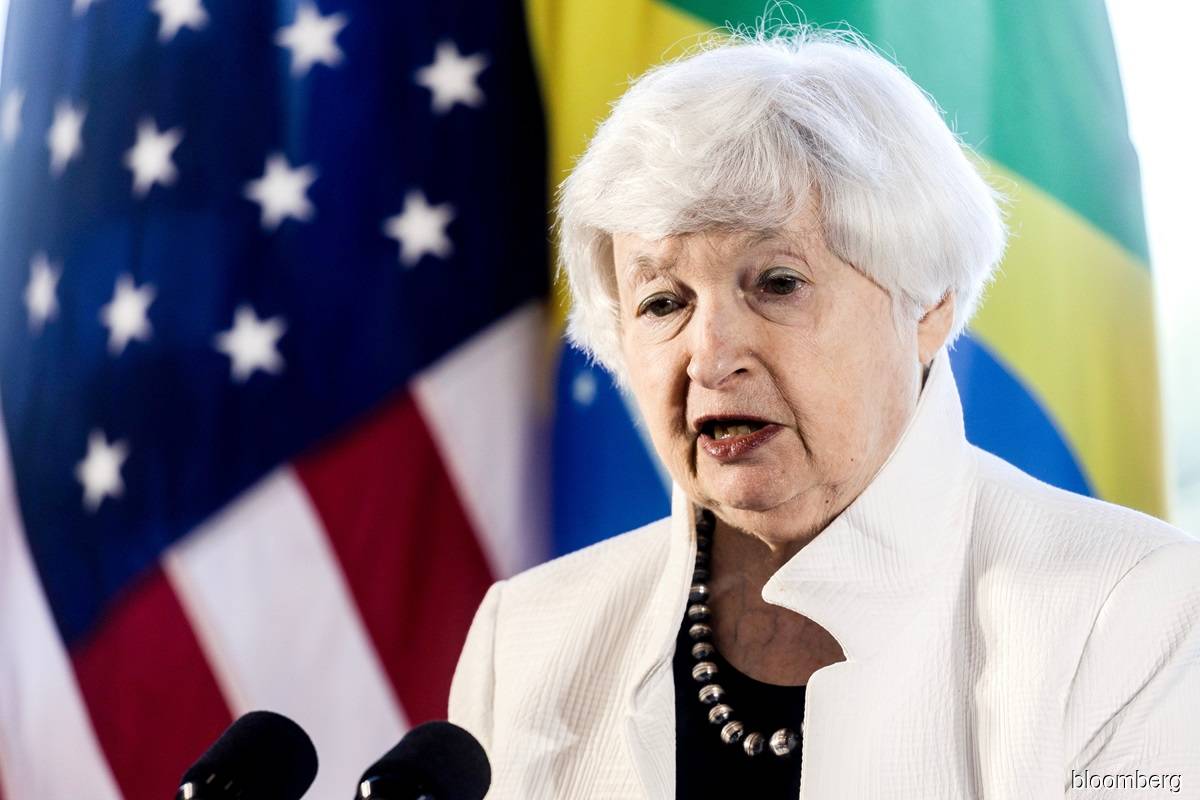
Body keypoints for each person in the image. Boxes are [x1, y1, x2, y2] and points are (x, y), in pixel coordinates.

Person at [448, 24, 1200, 799]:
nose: (711, 357)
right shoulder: (526, 639)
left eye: (777, 283)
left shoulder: (1129, 611)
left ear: (928, 302)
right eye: (664, 302)